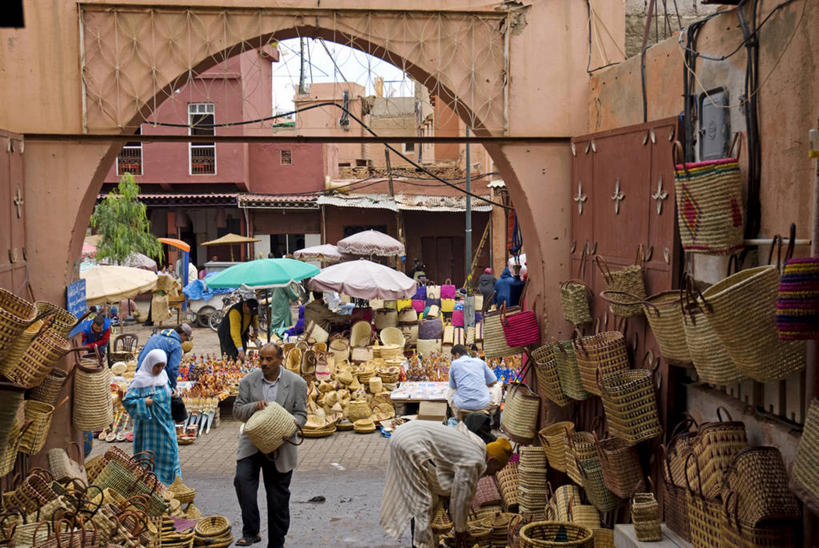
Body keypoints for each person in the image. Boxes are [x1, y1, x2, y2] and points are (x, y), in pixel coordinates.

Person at [379, 420, 512, 548]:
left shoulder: (478, 445)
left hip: (406, 433)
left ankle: (428, 542)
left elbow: (450, 477)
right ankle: (422, 545)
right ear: (492, 460)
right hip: (410, 443)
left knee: (428, 498)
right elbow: (461, 499)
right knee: (423, 504)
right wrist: (460, 531)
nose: (493, 474)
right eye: (497, 469)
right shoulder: (475, 462)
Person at [233, 343, 307, 548]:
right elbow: (237, 411)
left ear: (280, 359)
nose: (264, 363)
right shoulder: (248, 381)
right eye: (261, 359)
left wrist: (291, 425)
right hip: (252, 442)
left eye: (269, 359)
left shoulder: (296, 383)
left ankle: (276, 542)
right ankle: (251, 530)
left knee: (277, 499)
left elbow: (301, 414)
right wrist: (254, 407)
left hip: (281, 445)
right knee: (242, 481)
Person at [121, 349, 182, 485]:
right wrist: (144, 403)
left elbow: (169, 390)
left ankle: (173, 484)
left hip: (166, 424)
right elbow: (128, 401)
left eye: (162, 366)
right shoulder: (140, 381)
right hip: (149, 430)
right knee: (151, 457)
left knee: (170, 452)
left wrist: (173, 394)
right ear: (150, 364)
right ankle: (152, 484)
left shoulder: (164, 377)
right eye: (157, 366)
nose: (160, 369)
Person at [446, 344, 502, 420]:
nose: (453, 359)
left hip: (462, 405)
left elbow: (453, 386)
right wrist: (481, 383)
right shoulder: (480, 362)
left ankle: (457, 416)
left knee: (450, 390)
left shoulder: (454, 364)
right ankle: (492, 415)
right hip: (483, 404)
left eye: (453, 357)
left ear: (457, 355)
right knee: (497, 387)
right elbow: (494, 381)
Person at [136, 324, 192, 390]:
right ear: (183, 334)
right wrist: (173, 387)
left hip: (139, 376)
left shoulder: (154, 337)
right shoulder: (176, 345)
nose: (184, 341)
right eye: (186, 338)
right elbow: (173, 369)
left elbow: (139, 357)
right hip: (153, 380)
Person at [218, 297, 261, 361]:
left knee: (243, 353)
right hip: (227, 333)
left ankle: (241, 364)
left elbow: (255, 319)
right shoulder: (235, 312)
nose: (251, 313)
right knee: (231, 356)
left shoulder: (252, 310)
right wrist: (240, 350)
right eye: (250, 311)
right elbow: (235, 333)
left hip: (242, 332)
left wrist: (255, 330)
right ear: (245, 305)